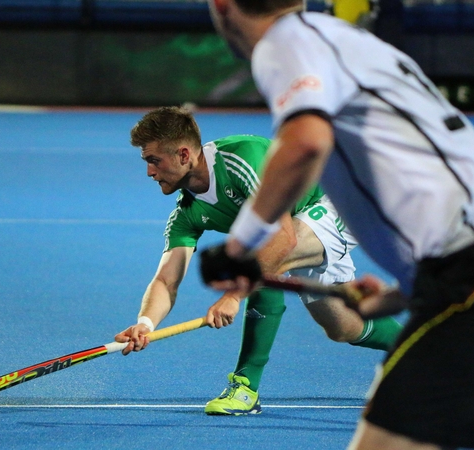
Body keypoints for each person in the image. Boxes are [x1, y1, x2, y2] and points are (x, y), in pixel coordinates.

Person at [198, 1, 474, 449]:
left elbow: (305, 143)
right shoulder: (356, 43)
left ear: (222, 5)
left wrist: (239, 248)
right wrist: (405, 292)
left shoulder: (285, 40)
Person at [114, 106, 402, 416]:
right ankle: (421, 344)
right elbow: (166, 280)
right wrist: (145, 324)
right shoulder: (186, 214)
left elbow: (283, 238)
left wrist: (233, 296)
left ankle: (246, 386)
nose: (150, 172)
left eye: (154, 160)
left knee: (260, 259)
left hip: (340, 196)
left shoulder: (240, 159)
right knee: (343, 327)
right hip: (304, 224)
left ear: (184, 155)